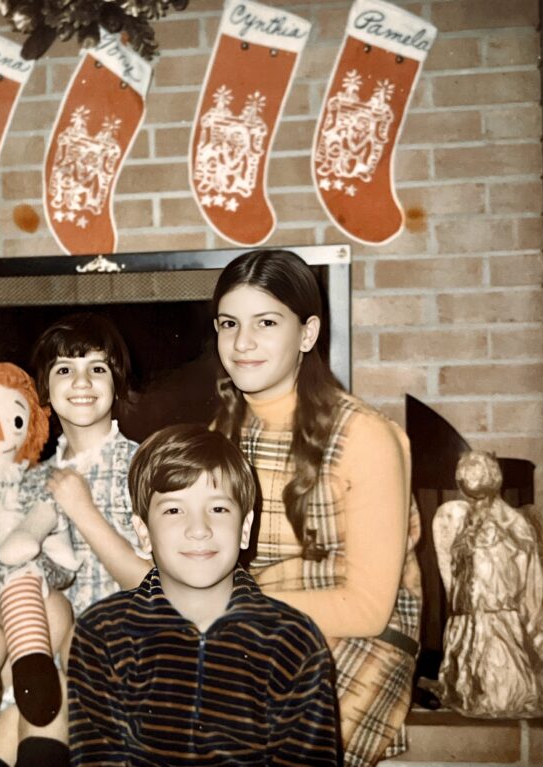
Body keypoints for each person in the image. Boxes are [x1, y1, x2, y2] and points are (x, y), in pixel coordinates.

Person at [211, 249, 421, 767]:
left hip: (357, 634)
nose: (242, 343)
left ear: (307, 334)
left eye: (266, 322)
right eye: (228, 323)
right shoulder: (223, 432)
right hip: (259, 626)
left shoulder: (365, 436)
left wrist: (237, 613)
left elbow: (370, 608)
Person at [68, 425, 341, 766]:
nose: (199, 529)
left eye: (218, 509)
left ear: (244, 529)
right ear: (143, 532)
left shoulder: (292, 640)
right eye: (173, 510)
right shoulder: (103, 633)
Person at [32, 313, 152, 619]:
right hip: (55, 655)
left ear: (117, 383)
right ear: (45, 387)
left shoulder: (144, 467)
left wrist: (82, 511)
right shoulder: (33, 479)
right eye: (64, 369)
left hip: (126, 645)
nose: (81, 381)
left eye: (97, 368)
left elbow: (153, 587)